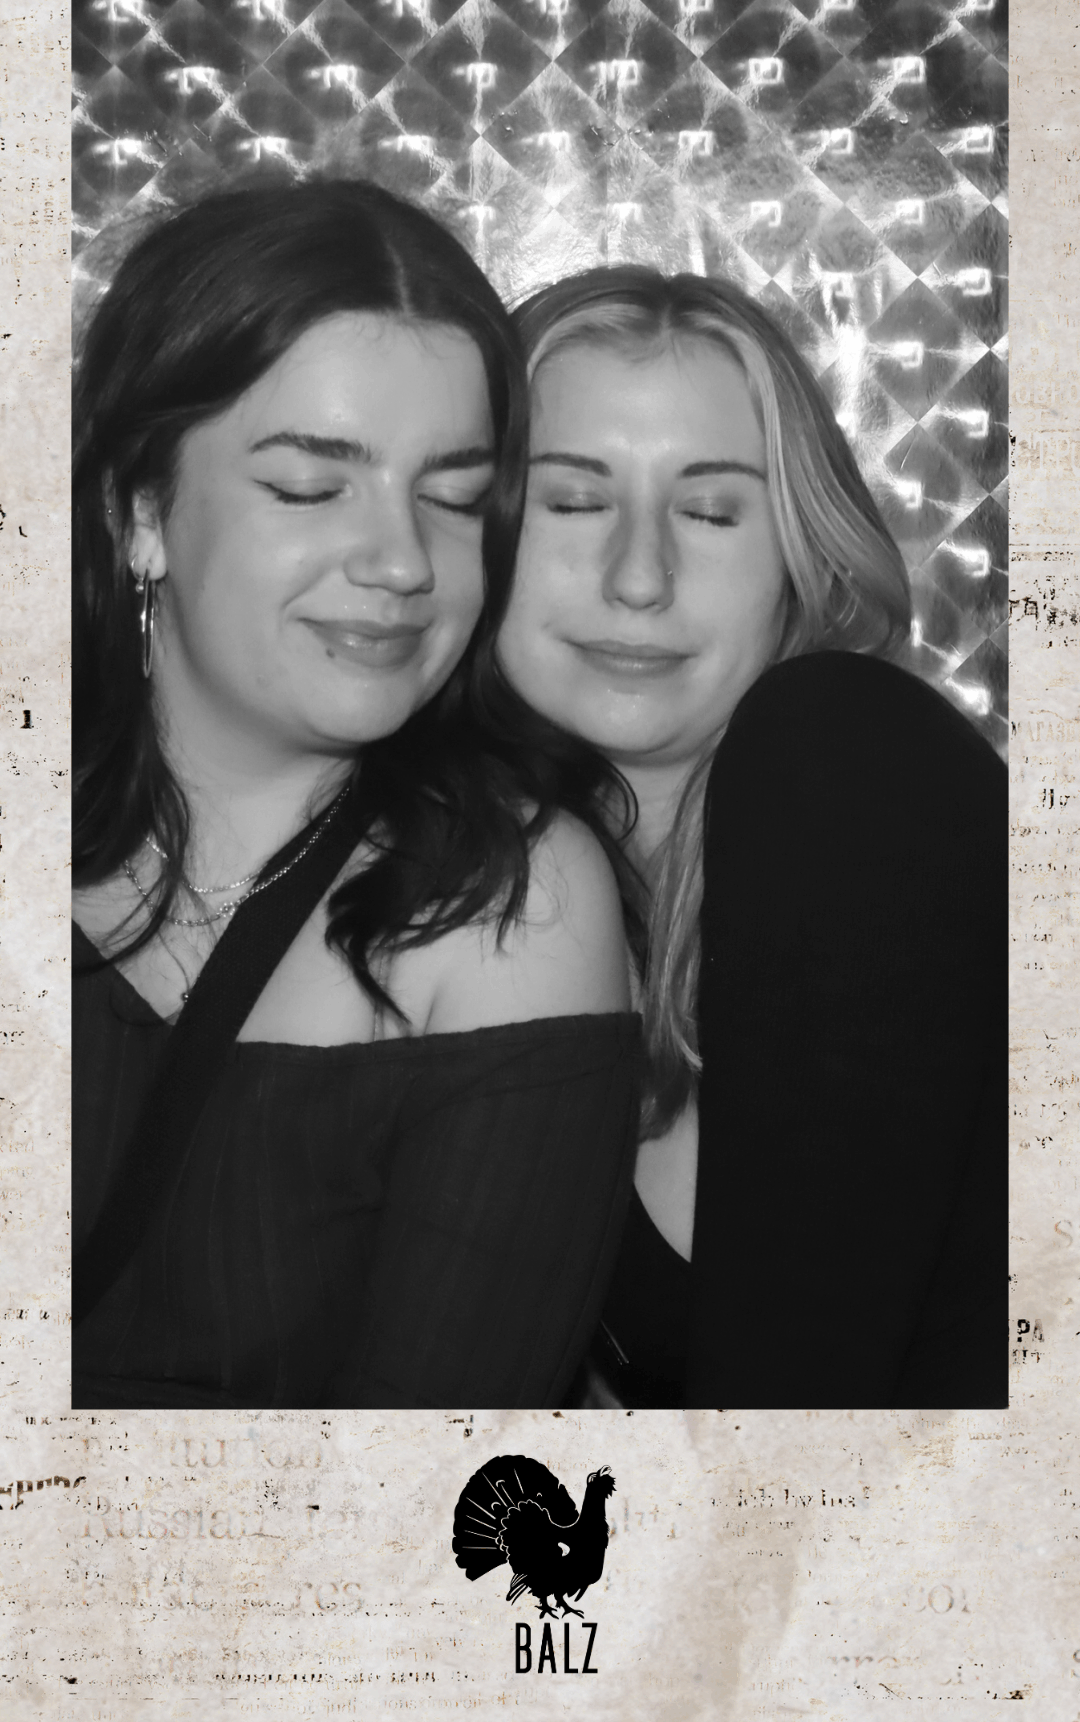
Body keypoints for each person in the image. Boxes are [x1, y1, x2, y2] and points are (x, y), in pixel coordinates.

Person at [72, 180, 642, 1409]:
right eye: (310, 486)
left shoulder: (509, 902)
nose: (401, 562)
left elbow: (430, 1492)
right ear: (140, 512)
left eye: (451, 498)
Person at [492, 266, 1007, 1407]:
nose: (639, 577)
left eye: (712, 512)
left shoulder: (853, 758)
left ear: (801, 562)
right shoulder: (495, 903)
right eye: (572, 502)